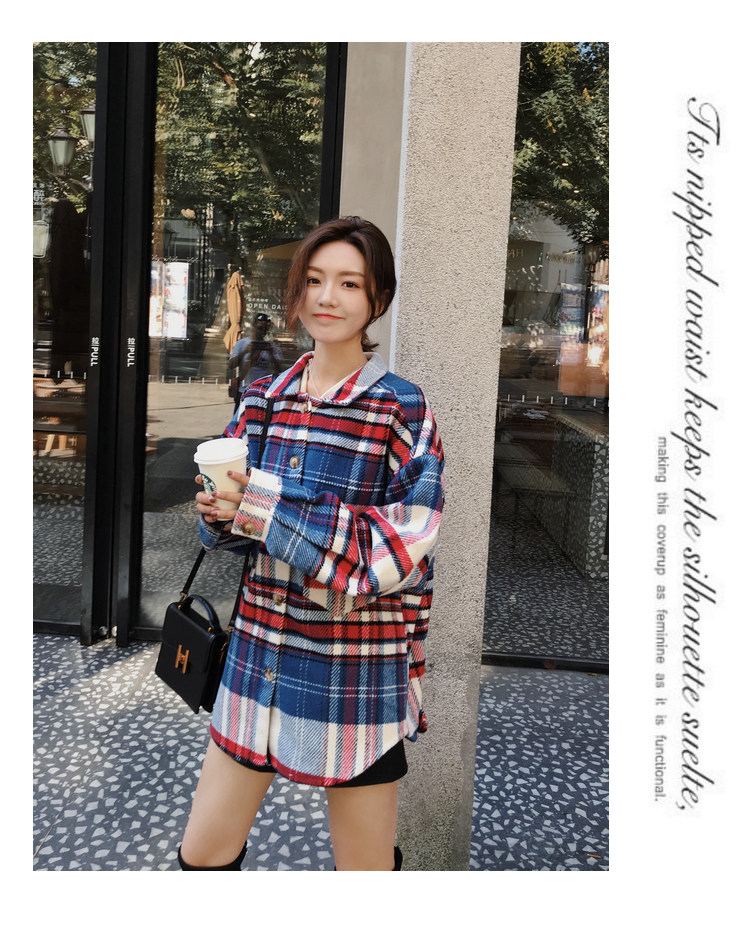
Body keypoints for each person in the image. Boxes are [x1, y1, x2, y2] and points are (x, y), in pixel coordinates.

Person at [178, 216, 445, 871]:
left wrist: (264, 507)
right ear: (296, 293)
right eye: (315, 280)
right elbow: (230, 535)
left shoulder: (402, 411)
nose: (328, 297)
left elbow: (393, 552)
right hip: (258, 656)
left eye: (350, 283)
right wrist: (218, 514)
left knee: (363, 871)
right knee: (202, 854)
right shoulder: (263, 399)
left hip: (355, 671)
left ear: (378, 298)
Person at [228, 313, 284, 410]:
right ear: (253, 326)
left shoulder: (271, 346)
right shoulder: (242, 344)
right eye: (259, 328)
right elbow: (231, 365)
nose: (262, 332)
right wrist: (245, 352)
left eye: (265, 329)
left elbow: (280, 371)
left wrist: (271, 355)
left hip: (263, 392)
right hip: (244, 390)